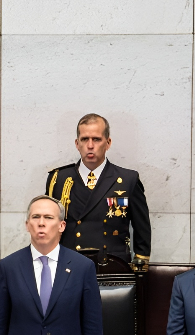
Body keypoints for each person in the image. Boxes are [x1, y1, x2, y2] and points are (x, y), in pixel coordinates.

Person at [0, 196, 103, 335]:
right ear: (27, 225)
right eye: (36, 217)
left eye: (48, 218)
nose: (41, 223)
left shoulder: (82, 267)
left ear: (61, 226)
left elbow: (93, 326)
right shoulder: (9, 266)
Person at [45, 114, 151, 268]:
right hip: (69, 264)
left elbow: (142, 228)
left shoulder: (127, 180)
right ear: (77, 144)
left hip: (113, 265)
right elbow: (49, 226)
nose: (90, 145)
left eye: (96, 139)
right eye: (84, 139)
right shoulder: (59, 179)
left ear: (108, 143)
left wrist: (140, 263)